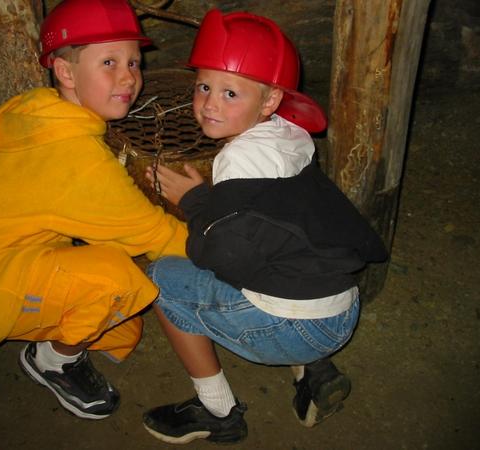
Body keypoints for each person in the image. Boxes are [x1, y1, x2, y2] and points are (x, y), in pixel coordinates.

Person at [0, 0, 187, 421]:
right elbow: (156, 235)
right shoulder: (73, 153)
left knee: (123, 322)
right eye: (109, 62)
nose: (129, 77)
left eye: (134, 62)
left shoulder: (48, 115)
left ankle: (63, 333)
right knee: (117, 282)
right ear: (65, 72)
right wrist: (235, 252)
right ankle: (51, 360)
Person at [142, 9, 388, 444]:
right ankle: (314, 371)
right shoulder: (290, 136)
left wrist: (196, 203)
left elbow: (223, 256)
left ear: (270, 101)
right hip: (340, 306)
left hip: (297, 327)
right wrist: (215, 201)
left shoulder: (239, 161)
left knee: (161, 277)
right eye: (203, 86)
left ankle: (217, 411)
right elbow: (270, 223)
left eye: (230, 92)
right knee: (282, 255)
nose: (210, 103)